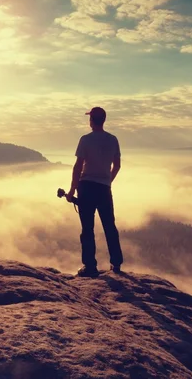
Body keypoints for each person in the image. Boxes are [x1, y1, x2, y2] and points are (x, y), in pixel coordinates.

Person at [66, 107, 124, 277]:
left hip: (86, 187)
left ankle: (90, 267)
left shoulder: (85, 140)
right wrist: (107, 181)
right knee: (109, 226)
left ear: (91, 120)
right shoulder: (113, 140)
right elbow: (117, 165)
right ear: (104, 120)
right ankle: (116, 263)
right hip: (104, 188)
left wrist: (71, 190)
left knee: (87, 228)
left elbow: (78, 167)